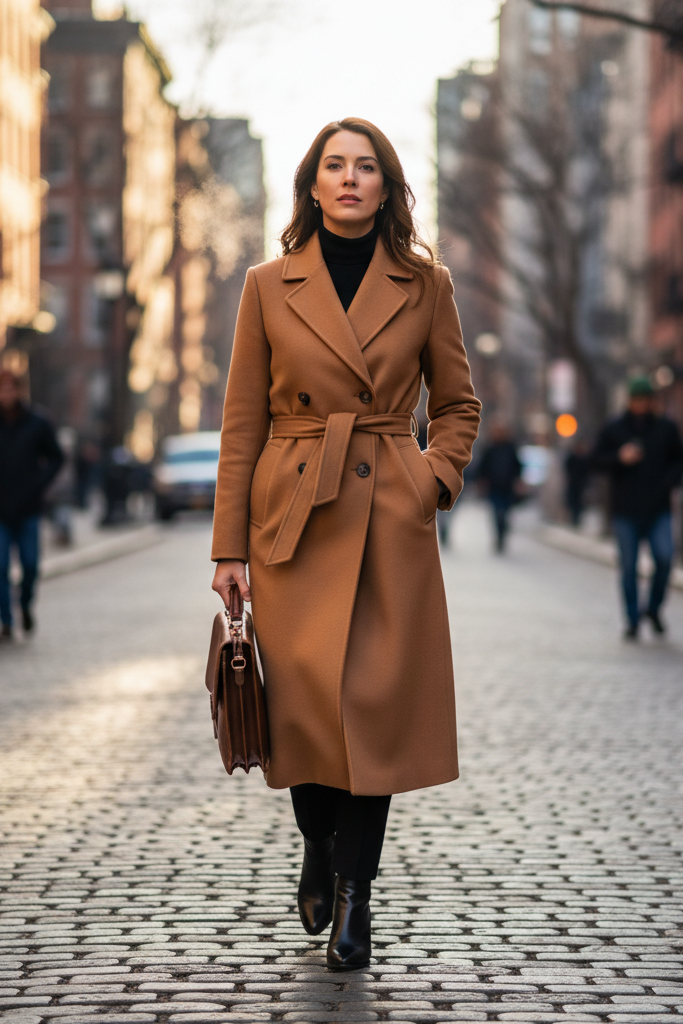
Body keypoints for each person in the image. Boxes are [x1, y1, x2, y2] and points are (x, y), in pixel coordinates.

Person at [210, 118, 481, 970]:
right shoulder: (266, 283)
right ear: (313, 185)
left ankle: (356, 898)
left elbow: (458, 404)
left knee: (375, 712)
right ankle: (318, 845)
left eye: (367, 166)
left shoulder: (425, 284)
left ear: (387, 186)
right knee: (302, 712)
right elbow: (241, 422)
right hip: (292, 516)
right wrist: (228, 551)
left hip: (388, 521)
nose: (350, 179)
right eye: (335, 165)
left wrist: (428, 479)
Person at [592, 376, 683, 639]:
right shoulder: (615, 428)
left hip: (659, 508)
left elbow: (678, 461)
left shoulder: (666, 428)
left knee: (665, 558)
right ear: (630, 401)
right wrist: (619, 457)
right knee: (629, 567)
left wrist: (668, 482)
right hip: (625, 510)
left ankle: (653, 609)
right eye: (637, 400)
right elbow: (596, 460)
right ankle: (632, 620)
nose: (641, 405)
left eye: (646, 400)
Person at [0, 369, 64, 640]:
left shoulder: (37, 422)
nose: (6, 394)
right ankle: (6, 620)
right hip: (0, 511)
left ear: (19, 390)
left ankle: (24, 605)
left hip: (29, 509)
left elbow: (56, 457)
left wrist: (38, 484)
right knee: (0, 567)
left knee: (30, 565)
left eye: (11, 388)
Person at [476, 423, 522, 552]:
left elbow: (518, 466)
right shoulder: (489, 448)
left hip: (507, 487)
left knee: (505, 513)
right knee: (496, 513)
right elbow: (482, 467)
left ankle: (503, 534)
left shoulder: (511, 448)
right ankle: (498, 537)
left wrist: (518, 481)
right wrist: (482, 482)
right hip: (494, 487)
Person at [564, 439, 592, 527]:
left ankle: (577, 519)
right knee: (573, 502)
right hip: (573, 484)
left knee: (579, 503)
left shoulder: (584, 459)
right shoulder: (572, 458)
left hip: (580, 484)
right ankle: (573, 518)